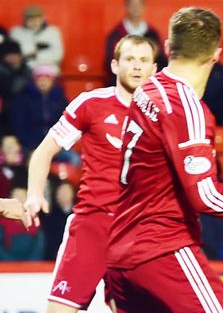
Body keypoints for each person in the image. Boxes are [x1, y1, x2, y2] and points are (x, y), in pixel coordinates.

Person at [104, 8, 223, 312]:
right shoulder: (186, 107)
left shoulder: (147, 90)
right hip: (160, 250)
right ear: (217, 54)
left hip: (121, 257)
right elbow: (205, 197)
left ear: (168, 48)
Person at [23, 36, 157, 312]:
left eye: (144, 61)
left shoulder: (165, 114)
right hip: (92, 226)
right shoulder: (90, 103)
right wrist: (35, 194)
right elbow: (44, 152)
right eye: (130, 59)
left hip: (138, 230)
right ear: (114, 64)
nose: (137, 67)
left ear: (155, 68)